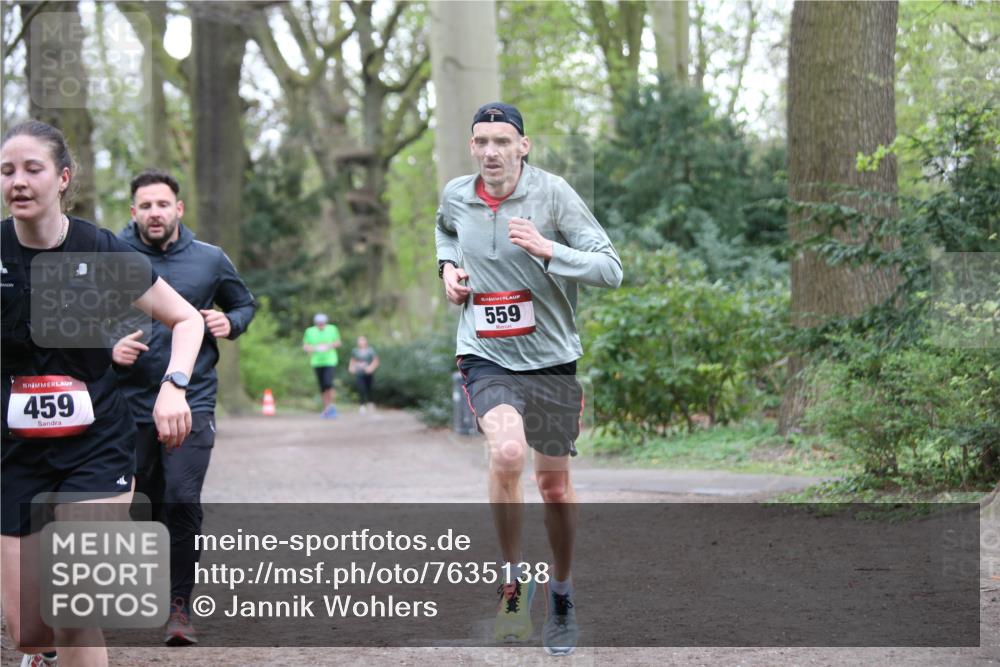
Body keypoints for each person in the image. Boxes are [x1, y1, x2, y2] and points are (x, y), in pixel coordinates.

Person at [1, 121, 204, 667]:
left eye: (32, 169)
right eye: (7, 171)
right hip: (12, 450)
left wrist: (173, 389)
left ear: (63, 178)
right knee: (29, 630)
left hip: (95, 447)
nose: (17, 181)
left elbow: (187, 320)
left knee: (75, 608)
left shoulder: (101, 250)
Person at [435, 102, 622, 655]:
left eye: (502, 141)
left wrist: (549, 249)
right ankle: (513, 585)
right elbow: (446, 234)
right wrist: (449, 272)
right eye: (481, 141)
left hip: (551, 359)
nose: (491, 151)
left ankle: (561, 592)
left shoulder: (553, 193)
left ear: (524, 146)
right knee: (508, 453)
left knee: (554, 486)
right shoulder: (456, 194)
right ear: (472, 146)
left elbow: (610, 268)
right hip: (485, 353)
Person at [112, 169, 256, 646]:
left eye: (163, 204)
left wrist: (228, 321)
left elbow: (244, 304)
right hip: (127, 401)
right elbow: (80, 321)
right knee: (141, 502)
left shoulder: (210, 260)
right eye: (145, 205)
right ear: (133, 212)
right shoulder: (110, 255)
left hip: (191, 398)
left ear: (179, 209)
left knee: (181, 496)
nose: (155, 212)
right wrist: (109, 346)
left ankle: (179, 607)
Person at [302, 313, 341, 418]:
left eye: (322, 323)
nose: (321, 325)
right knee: (323, 387)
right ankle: (326, 408)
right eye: (319, 324)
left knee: (329, 383)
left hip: (330, 361)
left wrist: (328, 346)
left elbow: (338, 343)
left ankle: (332, 406)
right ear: (316, 323)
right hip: (317, 362)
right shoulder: (310, 331)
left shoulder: (332, 329)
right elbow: (305, 346)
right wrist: (315, 348)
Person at [348, 336, 380, 413]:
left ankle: (370, 403)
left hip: (368, 373)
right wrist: (351, 367)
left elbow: (376, 360)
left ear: (366, 341)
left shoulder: (370, 350)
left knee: (370, 388)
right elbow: (353, 360)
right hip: (359, 372)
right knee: (361, 388)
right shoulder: (355, 351)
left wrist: (371, 368)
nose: (360, 342)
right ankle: (362, 405)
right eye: (359, 341)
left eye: (362, 340)